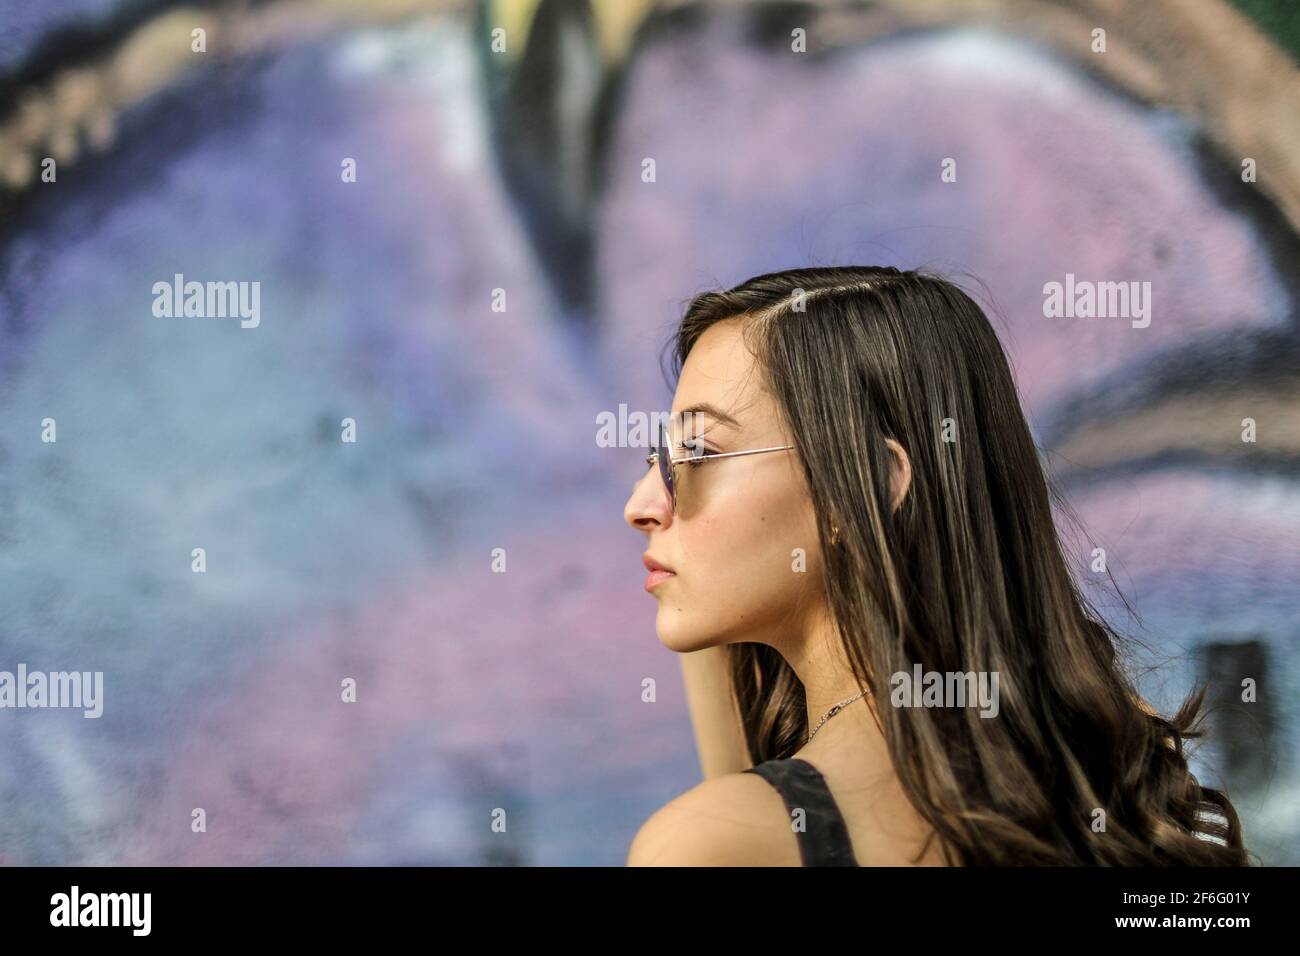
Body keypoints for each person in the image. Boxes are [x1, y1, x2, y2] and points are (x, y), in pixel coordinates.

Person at [623, 266, 1248, 866]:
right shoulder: (1108, 783)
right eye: (659, 457)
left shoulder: (717, 842)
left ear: (865, 482)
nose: (641, 505)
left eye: (697, 453)